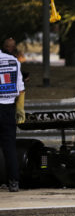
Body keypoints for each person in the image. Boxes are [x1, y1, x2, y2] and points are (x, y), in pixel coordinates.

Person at [0, 41, 26, 192]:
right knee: (9, 147)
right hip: (9, 108)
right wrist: (20, 109)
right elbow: (21, 88)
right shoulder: (14, 61)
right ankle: (14, 182)